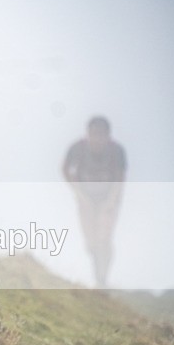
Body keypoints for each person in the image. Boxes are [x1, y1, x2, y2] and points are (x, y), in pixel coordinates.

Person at [62, 116, 127, 288]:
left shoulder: (117, 151)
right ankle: (97, 272)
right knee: (90, 242)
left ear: (108, 136)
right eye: (94, 134)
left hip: (109, 200)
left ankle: (102, 279)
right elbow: (65, 169)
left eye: (101, 135)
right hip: (86, 200)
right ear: (87, 134)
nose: (97, 139)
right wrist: (80, 195)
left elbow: (120, 180)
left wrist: (110, 203)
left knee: (104, 238)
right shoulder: (77, 148)